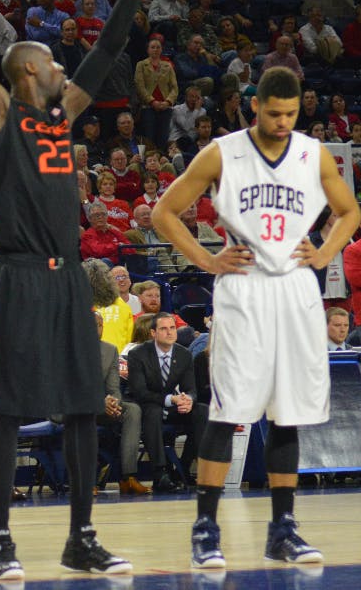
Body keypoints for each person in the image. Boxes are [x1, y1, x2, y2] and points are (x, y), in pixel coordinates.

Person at [0, 0, 142, 577]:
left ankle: (81, 537)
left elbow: (106, 51)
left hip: (67, 281)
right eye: (53, 62)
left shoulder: (62, 116)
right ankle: (0, 539)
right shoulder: (0, 113)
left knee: (85, 406)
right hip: (20, 275)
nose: (64, 67)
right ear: (28, 73)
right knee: (5, 409)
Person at [151, 66, 360, 569]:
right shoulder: (222, 151)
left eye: (291, 113)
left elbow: (349, 212)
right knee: (229, 408)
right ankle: (206, 529)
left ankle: (283, 530)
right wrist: (206, 260)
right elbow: (164, 212)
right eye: (274, 113)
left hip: (294, 288)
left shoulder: (313, 153)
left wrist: (325, 250)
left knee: (288, 411)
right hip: (243, 287)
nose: (284, 121)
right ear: (255, 108)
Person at [126, 312, 207, 493]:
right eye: (163, 329)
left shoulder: (184, 354)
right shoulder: (137, 354)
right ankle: (160, 473)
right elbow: (140, 392)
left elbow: (191, 389)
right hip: (146, 404)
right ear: (153, 333)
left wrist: (188, 400)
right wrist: (171, 399)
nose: (170, 332)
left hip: (171, 405)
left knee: (201, 411)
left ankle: (184, 468)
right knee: (152, 411)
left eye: (172, 328)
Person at [92, 310, 147, 495]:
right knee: (82, 414)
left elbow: (114, 388)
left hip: (102, 408)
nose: (96, 328)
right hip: (72, 408)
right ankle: (86, 480)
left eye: (99, 325)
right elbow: (68, 389)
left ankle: (128, 477)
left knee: (131, 410)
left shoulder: (109, 350)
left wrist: (113, 403)